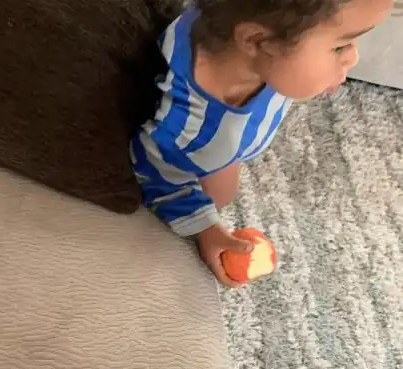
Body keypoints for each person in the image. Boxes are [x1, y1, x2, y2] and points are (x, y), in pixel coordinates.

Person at [130, 0, 393, 286]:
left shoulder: (253, 45)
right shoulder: (192, 129)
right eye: (341, 47)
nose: (353, 58)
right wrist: (204, 227)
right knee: (220, 195)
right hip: (208, 150)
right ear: (257, 41)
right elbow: (156, 172)